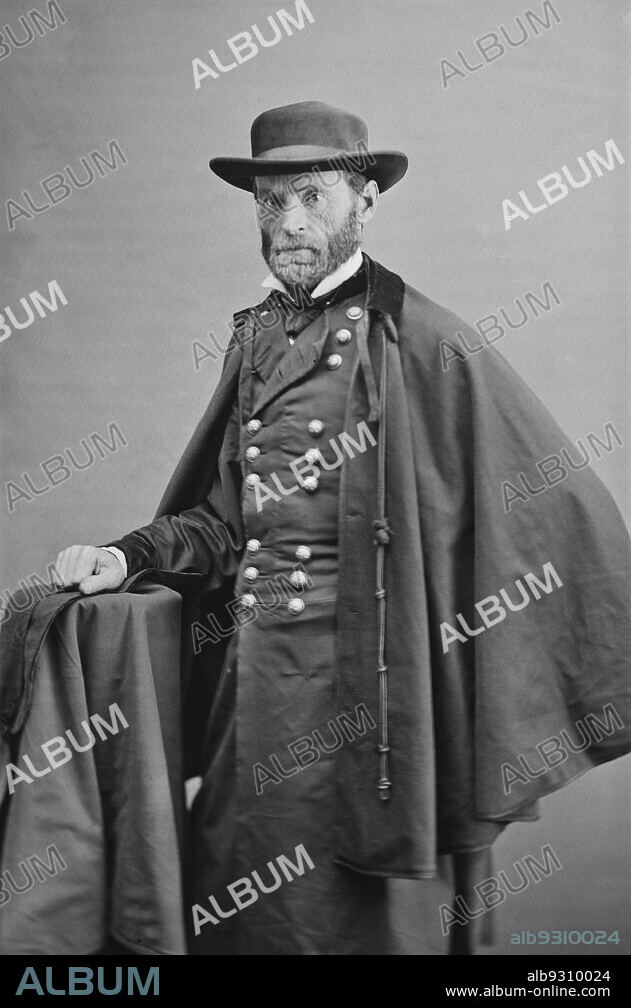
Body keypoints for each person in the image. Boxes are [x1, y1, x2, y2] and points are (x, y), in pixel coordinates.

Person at [48, 101, 631, 955]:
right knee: (243, 916)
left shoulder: (420, 338)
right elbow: (223, 523)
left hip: (372, 698)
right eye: (270, 200)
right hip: (253, 696)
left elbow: (559, 514)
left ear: (364, 201)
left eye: (312, 196)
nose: (288, 222)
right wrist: (126, 554)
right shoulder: (252, 340)